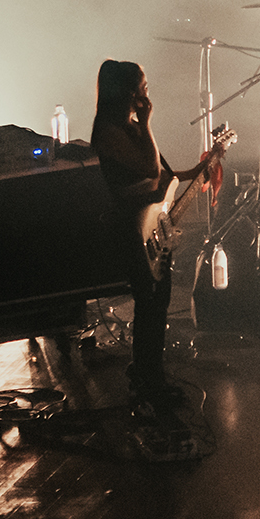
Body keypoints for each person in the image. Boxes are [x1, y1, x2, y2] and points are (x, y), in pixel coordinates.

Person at [91, 60, 209, 410]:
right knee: (149, 303)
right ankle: (147, 379)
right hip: (130, 230)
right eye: (143, 87)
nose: (147, 93)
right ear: (128, 92)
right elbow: (147, 166)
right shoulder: (109, 131)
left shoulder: (126, 126)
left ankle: (149, 372)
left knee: (156, 304)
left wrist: (201, 169)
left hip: (147, 226)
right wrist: (147, 123)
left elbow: (160, 174)